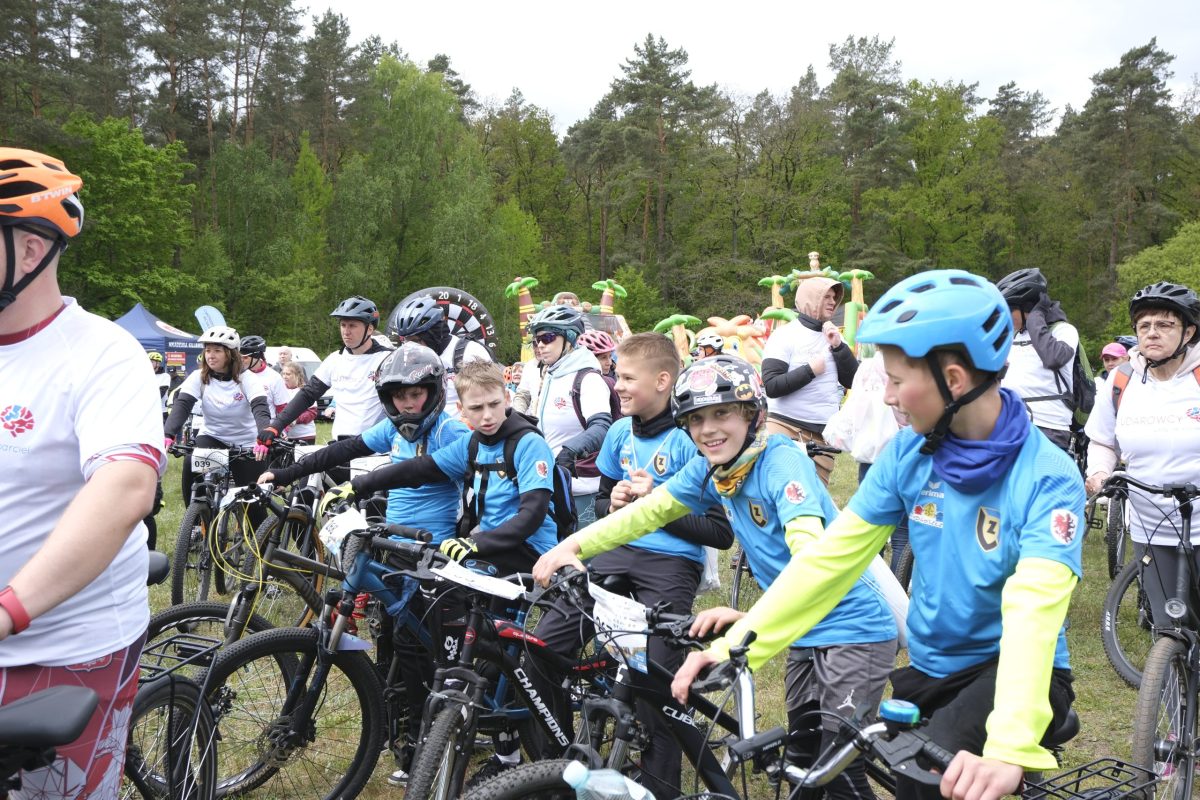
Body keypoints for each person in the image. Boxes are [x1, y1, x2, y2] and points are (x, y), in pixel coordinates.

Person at [671, 270, 1084, 800]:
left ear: (954, 380)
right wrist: (738, 645)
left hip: (1014, 668)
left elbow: (1034, 609)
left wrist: (1009, 743)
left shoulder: (1047, 476)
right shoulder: (909, 453)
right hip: (931, 667)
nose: (886, 396)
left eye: (894, 379)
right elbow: (830, 560)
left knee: (922, 784)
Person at [533, 353, 898, 800]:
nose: (708, 429)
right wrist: (573, 545)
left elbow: (810, 557)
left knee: (838, 768)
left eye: (722, 413)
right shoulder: (714, 469)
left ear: (752, 414)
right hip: (800, 627)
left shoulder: (781, 462)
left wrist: (750, 620)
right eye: (696, 418)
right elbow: (650, 511)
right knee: (803, 759)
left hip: (854, 628)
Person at [0, 147, 163, 798]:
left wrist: (8, 610)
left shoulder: (101, 353)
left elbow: (124, 487)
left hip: (66, 650)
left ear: (29, 250)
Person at [519, 333, 735, 795]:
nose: (616, 384)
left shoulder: (690, 439)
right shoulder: (619, 432)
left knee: (656, 681)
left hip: (671, 563)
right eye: (616, 375)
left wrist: (656, 504)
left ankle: (661, 788)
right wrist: (614, 502)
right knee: (539, 649)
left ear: (662, 381)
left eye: (626, 377)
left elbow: (720, 533)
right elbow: (602, 503)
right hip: (614, 554)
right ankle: (556, 767)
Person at [260, 343, 471, 784]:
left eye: (416, 394)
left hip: (433, 554)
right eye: (399, 396)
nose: (408, 404)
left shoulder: (451, 432)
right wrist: (283, 474)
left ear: (433, 393)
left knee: (420, 651)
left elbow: (429, 474)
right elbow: (342, 451)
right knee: (392, 642)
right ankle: (403, 733)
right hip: (394, 547)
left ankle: (427, 745)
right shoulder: (393, 432)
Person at [1085, 282, 1200, 631]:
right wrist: (1099, 472)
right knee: (1168, 625)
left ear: (1188, 332)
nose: (1152, 332)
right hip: (1150, 525)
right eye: (1144, 325)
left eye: (1164, 324)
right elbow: (1102, 441)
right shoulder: (1121, 380)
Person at [259, 296, 392, 482]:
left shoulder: (387, 359)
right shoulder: (335, 359)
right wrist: (276, 426)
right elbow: (308, 394)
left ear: (369, 329)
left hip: (375, 453)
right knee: (304, 492)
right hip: (339, 449)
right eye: (343, 325)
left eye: (352, 325)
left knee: (367, 501)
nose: (346, 331)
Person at [511, 304, 613, 525]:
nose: (540, 345)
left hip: (584, 489)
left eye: (547, 338)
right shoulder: (551, 374)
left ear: (569, 338)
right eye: (536, 340)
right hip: (551, 484)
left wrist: (570, 451)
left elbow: (602, 426)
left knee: (582, 548)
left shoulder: (588, 378)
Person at [163, 326, 274, 518]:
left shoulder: (247, 379)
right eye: (207, 350)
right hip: (213, 436)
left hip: (246, 442)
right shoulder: (199, 377)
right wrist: (168, 433)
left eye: (217, 350)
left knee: (254, 509)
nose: (210, 355)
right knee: (191, 463)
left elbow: (260, 407)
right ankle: (196, 520)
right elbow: (183, 404)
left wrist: (264, 436)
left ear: (230, 354)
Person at [761, 274, 858, 485]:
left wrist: (838, 346)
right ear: (811, 299)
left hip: (823, 434)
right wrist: (810, 371)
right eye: (827, 297)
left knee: (817, 496)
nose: (833, 301)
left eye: (834, 297)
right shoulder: (784, 335)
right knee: (786, 491)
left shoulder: (832, 335)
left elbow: (854, 381)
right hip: (785, 427)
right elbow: (772, 386)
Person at [997, 268, 1081, 452]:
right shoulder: (1014, 336)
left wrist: (1035, 317)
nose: (1006, 317)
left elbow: (1053, 357)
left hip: (1049, 428)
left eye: (1009, 310)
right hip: (1012, 426)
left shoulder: (1063, 330)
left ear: (1025, 306)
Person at [388, 295, 492, 420]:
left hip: (462, 427)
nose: (411, 347)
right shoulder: (409, 358)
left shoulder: (470, 352)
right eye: (406, 341)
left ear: (435, 334)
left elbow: (489, 399)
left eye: (416, 340)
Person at [240, 334, 289, 418]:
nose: (241, 360)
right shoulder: (237, 375)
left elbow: (282, 408)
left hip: (266, 423)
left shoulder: (274, 377)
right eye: (240, 357)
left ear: (257, 356)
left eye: (245, 357)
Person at [279, 361, 318, 444]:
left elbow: (312, 412)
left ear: (297, 375)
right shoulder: (280, 390)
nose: (285, 376)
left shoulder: (306, 390)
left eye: (288, 374)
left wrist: (296, 419)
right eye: (283, 374)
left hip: (305, 434)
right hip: (286, 436)